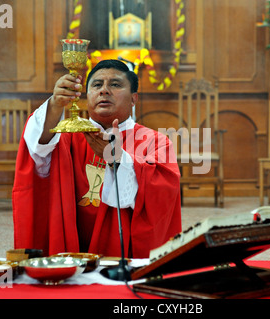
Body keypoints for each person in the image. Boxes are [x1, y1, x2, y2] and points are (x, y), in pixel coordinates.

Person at [12, 59, 182, 258]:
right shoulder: (66, 136)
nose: (104, 90)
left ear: (134, 98)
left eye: (115, 84)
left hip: (125, 256)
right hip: (71, 249)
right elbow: (36, 150)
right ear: (87, 95)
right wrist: (55, 104)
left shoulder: (154, 141)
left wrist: (118, 160)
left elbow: (162, 195)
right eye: (97, 85)